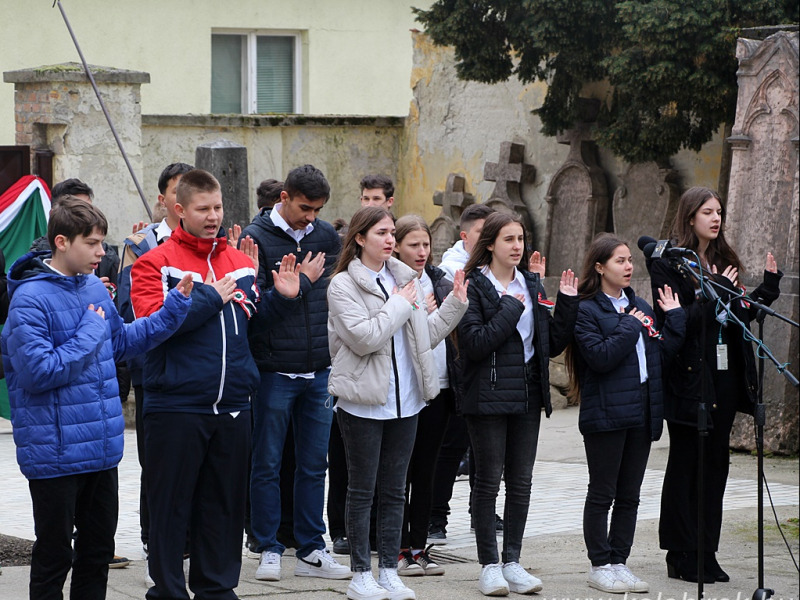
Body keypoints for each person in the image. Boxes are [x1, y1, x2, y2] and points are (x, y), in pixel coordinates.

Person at [1, 197, 192, 600]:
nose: (102, 253)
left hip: (102, 452)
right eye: (92, 243)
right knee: (55, 556)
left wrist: (173, 310)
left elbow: (120, 342)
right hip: (54, 456)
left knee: (97, 553)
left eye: (102, 242)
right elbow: (40, 372)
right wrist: (90, 330)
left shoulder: (92, 287)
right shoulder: (29, 299)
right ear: (61, 242)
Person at [130, 169, 301, 600]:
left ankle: (217, 590)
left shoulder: (241, 263)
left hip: (233, 408)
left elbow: (250, 329)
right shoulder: (153, 263)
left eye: (218, 207)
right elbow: (152, 328)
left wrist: (281, 299)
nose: (213, 217)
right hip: (176, 408)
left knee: (224, 509)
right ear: (178, 210)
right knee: (170, 510)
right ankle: (167, 591)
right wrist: (209, 297)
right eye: (203, 209)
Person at [327, 206, 468, 600]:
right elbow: (365, 337)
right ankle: (360, 574)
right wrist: (401, 304)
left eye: (392, 233)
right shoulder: (342, 285)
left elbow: (424, 336)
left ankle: (389, 569)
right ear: (359, 238)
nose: (389, 240)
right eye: (381, 233)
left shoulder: (406, 279)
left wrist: (455, 304)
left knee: (393, 490)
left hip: (407, 401)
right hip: (363, 401)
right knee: (362, 489)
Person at [648, 186, 782, 583]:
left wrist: (767, 290)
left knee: (717, 465)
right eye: (707, 211)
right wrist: (714, 296)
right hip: (689, 376)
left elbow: (738, 312)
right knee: (688, 462)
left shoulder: (723, 260)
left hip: (724, 376)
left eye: (719, 211)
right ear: (690, 217)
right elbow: (675, 322)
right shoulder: (670, 264)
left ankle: (706, 549)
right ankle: (680, 552)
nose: (715, 218)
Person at [458, 211, 579, 596]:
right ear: (489, 244)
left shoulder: (531, 282)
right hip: (488, 396)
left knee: (522, 482)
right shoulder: (474, 285)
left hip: (527, 393)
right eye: (508, 240)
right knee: (488, 480)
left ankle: (512, 561)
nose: (517, 247)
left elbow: (550, 343)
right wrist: (510, 308)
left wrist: (568, 305)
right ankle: (489, 565)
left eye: (521, 240)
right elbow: (474, 343)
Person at [241, 164, 348, 582]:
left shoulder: (325, 236)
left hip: (319, 369)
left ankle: (311, 547)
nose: (311, 217)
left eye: (318, 209)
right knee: (266, 462)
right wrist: (299, 285)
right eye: (305, 207)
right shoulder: (256, 238)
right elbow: (252, 314)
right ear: (283, 197)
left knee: (313, 464)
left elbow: (337, 297)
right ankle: (268, 546)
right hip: (272, 370)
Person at [565, 233, 685, 594]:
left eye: (630, 260)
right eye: (619, 261)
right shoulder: (587, 310)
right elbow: (600, 357)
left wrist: (675, 319)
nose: (629, 266)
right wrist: (629, 324)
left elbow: (660, 355)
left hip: (641, 413)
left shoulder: (642, 306)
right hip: (605, 415)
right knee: (602, 493)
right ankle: (599, 564)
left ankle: (619, 561)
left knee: (630, 495)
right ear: (600, 267)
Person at [116, 161, 193, 574]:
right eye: (178, 193)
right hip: (155, 367)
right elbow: (128, 307)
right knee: (157, 461)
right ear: (163, 199)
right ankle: (156, 538)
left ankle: (190, 537)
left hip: (199, 371)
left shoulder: (211, 246)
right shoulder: (140, 245)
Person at [392, 215, 457, 577]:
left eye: (426, 244)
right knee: (399, 473)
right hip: (405, 389)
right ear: (397, 245)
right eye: (413, 244)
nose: (421, 252)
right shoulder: (393, 281)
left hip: (440, 387)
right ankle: (399, 548)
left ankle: (419, 547)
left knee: (426, 471)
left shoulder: (440, 281)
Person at [429, 203, 497, 543]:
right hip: (457, 372)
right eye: (483, 235)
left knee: (486, 448)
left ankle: (482, 511)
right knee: (452, 446)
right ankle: (435, 517)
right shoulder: (452, 271)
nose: (490, 241)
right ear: (465, 236)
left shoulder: (493, 267)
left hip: (489, 370)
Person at [438, 203, 495, 281]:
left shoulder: (501, 262)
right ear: (464, 236)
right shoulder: (449, 270)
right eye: (482, 232)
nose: (489, 236)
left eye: (492, 231)